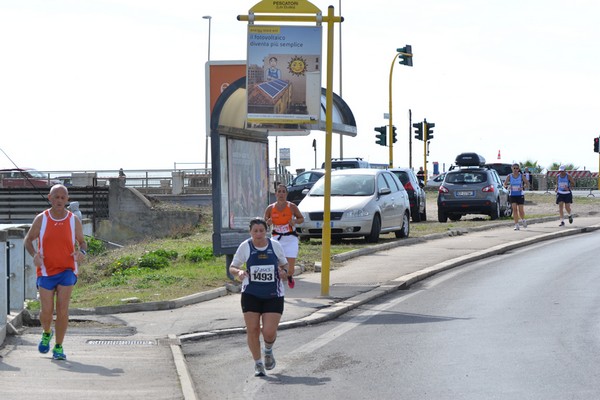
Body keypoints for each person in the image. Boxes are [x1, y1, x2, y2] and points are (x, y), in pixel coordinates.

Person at [24, 184, 87, 361]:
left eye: (63, 197)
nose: (59, 200)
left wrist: (81, 253)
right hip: (45, 271)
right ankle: (46, 332)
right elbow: (28, 240)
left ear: (67, 200)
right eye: (56, 197)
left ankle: (58, 347)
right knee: (46, 311)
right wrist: (34, 255)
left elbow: (82, 242)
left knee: (62, 309)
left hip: (67, 269)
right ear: (49, 198)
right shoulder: (41, 219)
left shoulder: (73, 220)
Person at [228, 217, 289, 377]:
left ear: (266, 231)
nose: (259, 234)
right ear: (250, 232)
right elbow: (233, 267)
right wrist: (239, 272)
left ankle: (268, 350)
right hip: (251, 294)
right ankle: (258, 364)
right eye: (255, 231)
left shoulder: (275, 246)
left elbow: (285, 265)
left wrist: (284, 272)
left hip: (273, 294)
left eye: (261, 230)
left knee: (268, 332)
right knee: (253, 330)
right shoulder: (245, 246)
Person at [264, 184, 304, 288]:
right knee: (278, 265)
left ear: (286, 194)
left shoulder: (292, 207)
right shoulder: (270, 208)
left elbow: (301, 219)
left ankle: (290, 276)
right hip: (277, 239)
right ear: (276, 194)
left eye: (283, 192)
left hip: (290, 239)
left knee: (290, 269)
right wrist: (268, 222)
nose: (281, 194)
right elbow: (264, 222)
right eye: (279, 191)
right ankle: (278, 284)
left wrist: (294, 221)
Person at [504, 163, 529, 230]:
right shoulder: (509, 176)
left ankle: (523, 220)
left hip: (520, 195)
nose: (515, 170)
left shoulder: (521, 176)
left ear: (519, 169)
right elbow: (505, 184)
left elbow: (527, 183)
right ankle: (516, 224)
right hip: (512, 195)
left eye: (517, 168)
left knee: (521, 210)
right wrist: (507, 187)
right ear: (512, 168)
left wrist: (523, 187)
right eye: (514, 168)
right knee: (514, 210)